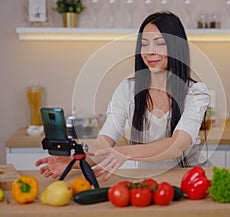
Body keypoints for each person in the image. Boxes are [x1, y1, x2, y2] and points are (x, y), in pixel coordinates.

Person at [35, 11, 210, 181]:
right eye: (144, 44)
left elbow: (177, 145)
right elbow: (104, 144)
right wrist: (73, 162)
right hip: (147, 182)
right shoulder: (127, 89)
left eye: (159, 43)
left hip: (192, 180)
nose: (150, 51)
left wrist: (124, 152)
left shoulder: (196, 92)